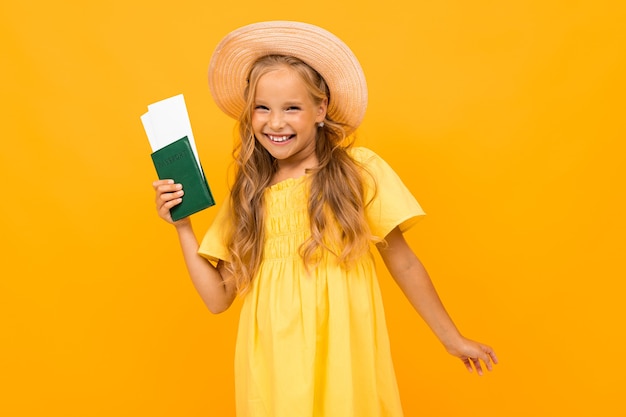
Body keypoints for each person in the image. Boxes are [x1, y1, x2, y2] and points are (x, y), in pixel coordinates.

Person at [153, 21, 497, 417]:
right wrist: (182, 226)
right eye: (262, 108)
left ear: (321, 109)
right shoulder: (250, 193)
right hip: (273, 367)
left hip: (344, 357)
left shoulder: (358, 172)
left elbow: (402, 261)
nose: (275, 123)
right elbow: (217, 299)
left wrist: (451, 338)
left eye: (292, 108)